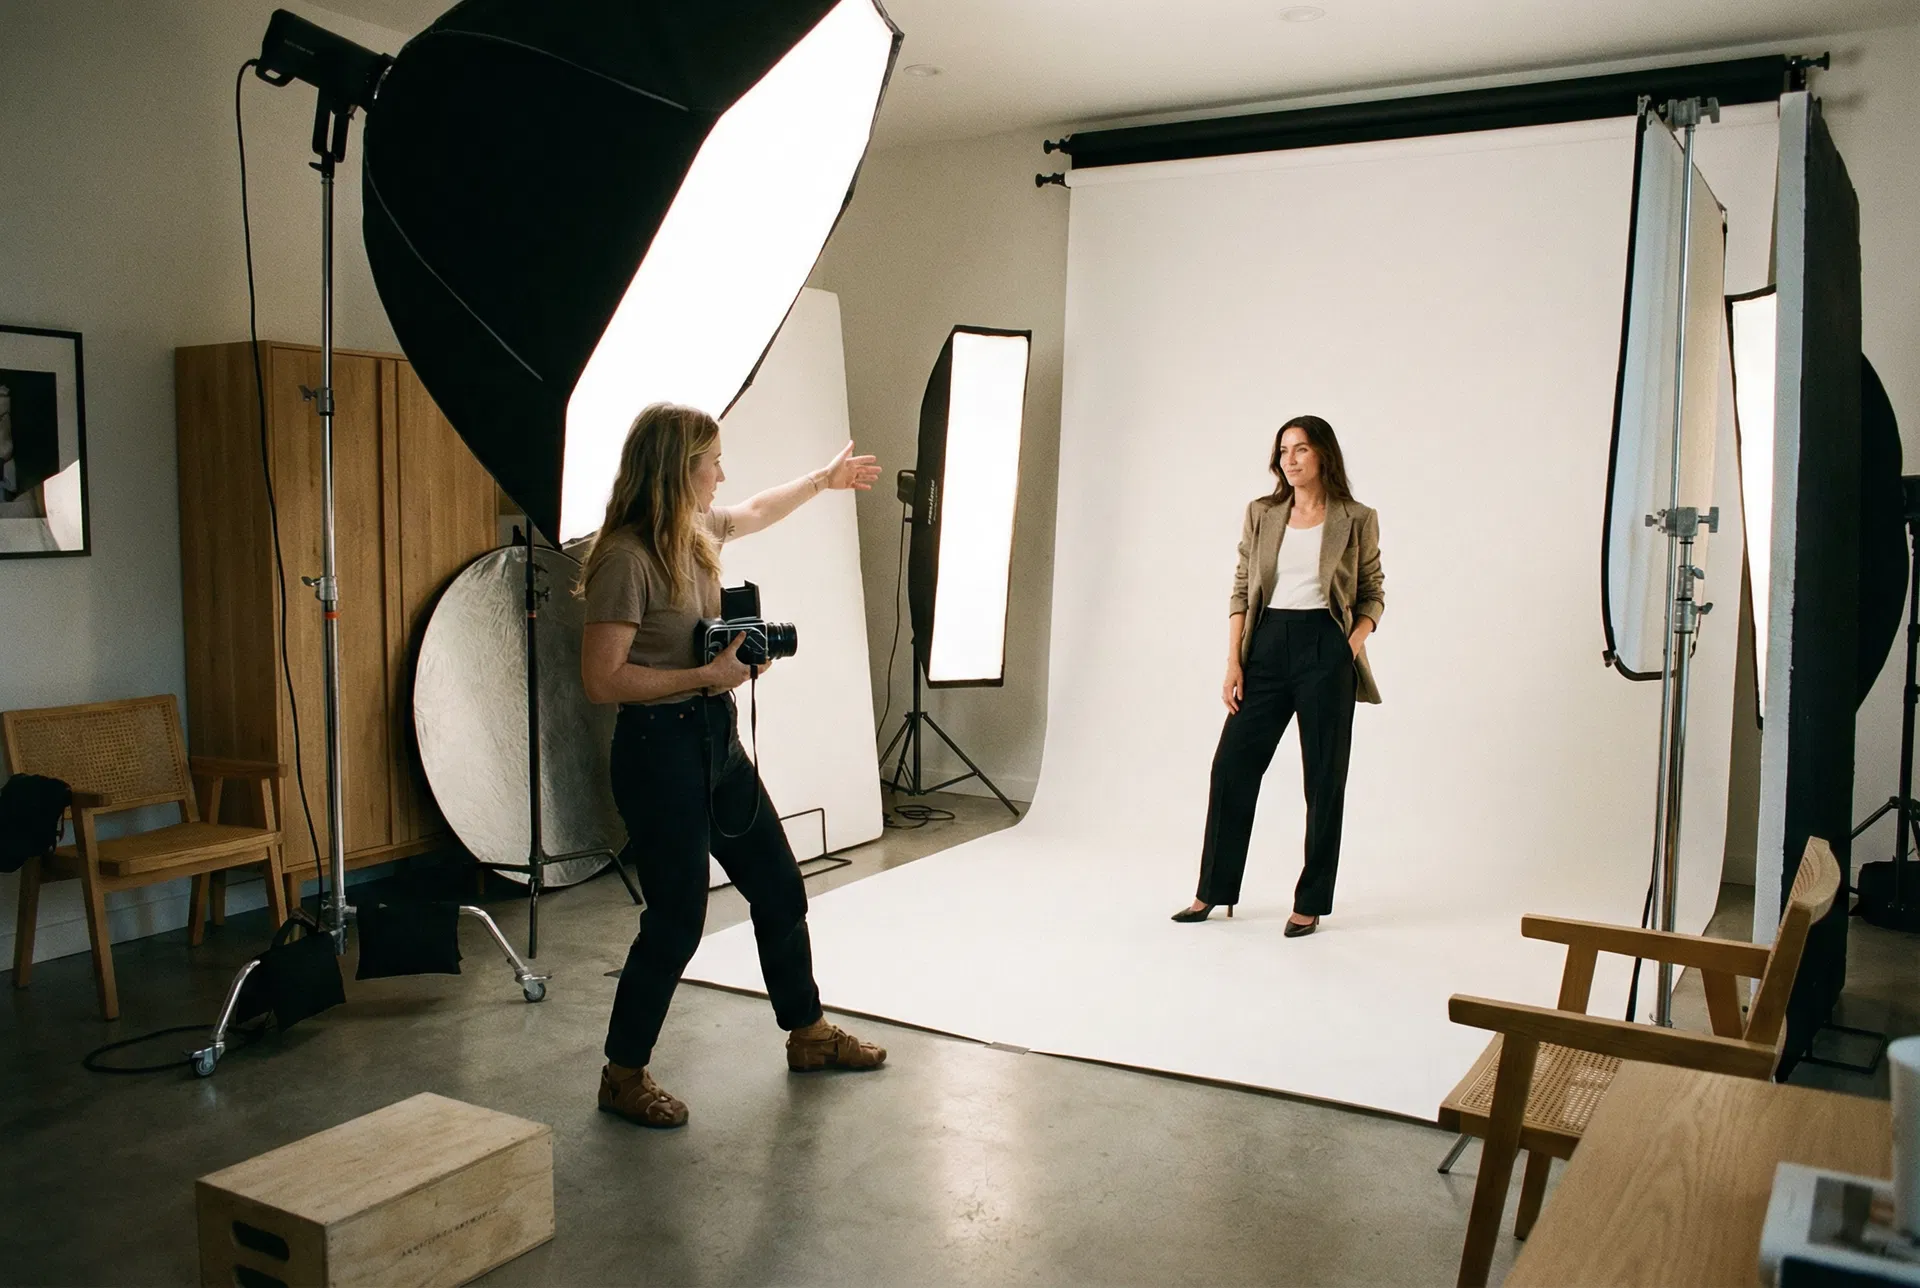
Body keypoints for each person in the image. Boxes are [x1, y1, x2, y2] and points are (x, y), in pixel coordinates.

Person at [579, 402, 886, 1128]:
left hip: (715, 746)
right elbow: (602, 680)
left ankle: (807, 1033)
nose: (722, 474)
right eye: (712, 460)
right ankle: (622, 1074)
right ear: (678, 471)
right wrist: (704, 678)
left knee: (780, 889)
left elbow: (754, 509)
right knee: (678, 921)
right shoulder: (626, 556)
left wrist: (824, 480)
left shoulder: (693, 530)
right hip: (658, 754)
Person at [1172, 414, 1385, 937]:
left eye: (1302, 449)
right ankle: (1212, 890)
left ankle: (1310, 900)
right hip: (1265, 648)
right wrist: (1234, 662)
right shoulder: (1263, 514)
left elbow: (1373, 592)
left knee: (1324, 780)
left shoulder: (1355, 517)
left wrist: (1347, 647)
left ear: (1324, 456)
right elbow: (1242, 587)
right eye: (1284, 450)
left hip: (1325, 649)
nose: (1290, 459)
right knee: (1232, 768)